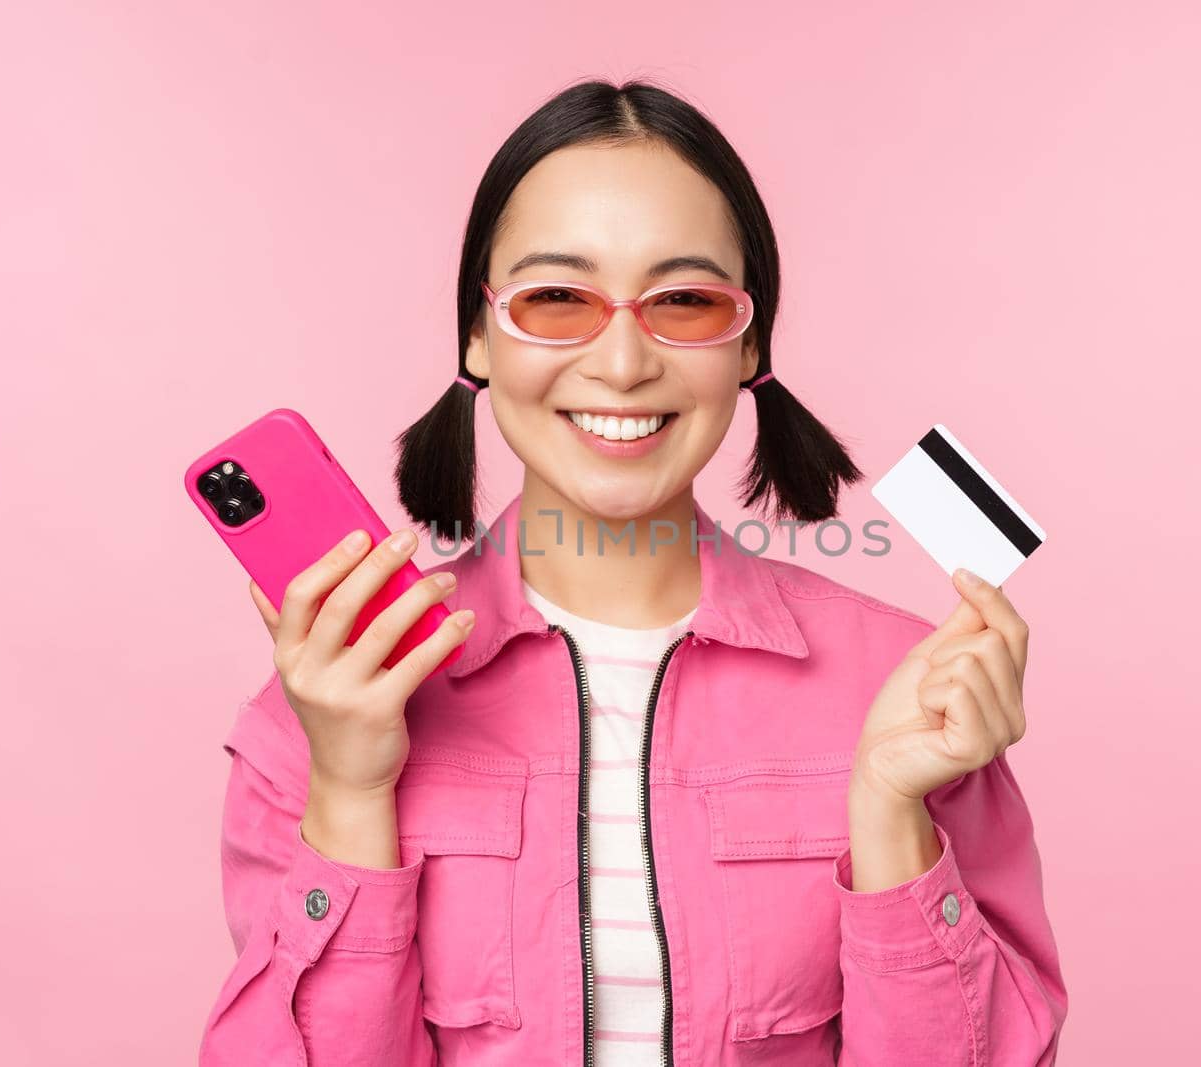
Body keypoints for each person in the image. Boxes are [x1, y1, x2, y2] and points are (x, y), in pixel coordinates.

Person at [199, 78, 1067, 1066]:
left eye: (684, 301)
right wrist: (350, 790)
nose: (619, 362)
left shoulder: (910, 689)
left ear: (748, 344)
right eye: (556, 297)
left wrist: (888, 810)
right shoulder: (325, 699)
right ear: (477, 336)